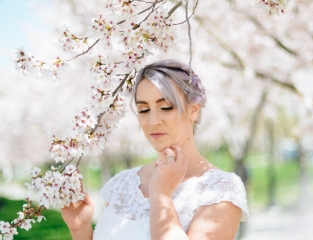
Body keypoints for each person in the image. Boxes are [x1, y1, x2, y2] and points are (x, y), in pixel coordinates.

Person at [61, 59, 249, 240]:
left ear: (194, 110)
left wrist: (161, 194)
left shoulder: (220, 188)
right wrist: (81, 230)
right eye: (143, 110)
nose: (153, 121)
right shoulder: (122, 184)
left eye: (165, 107)